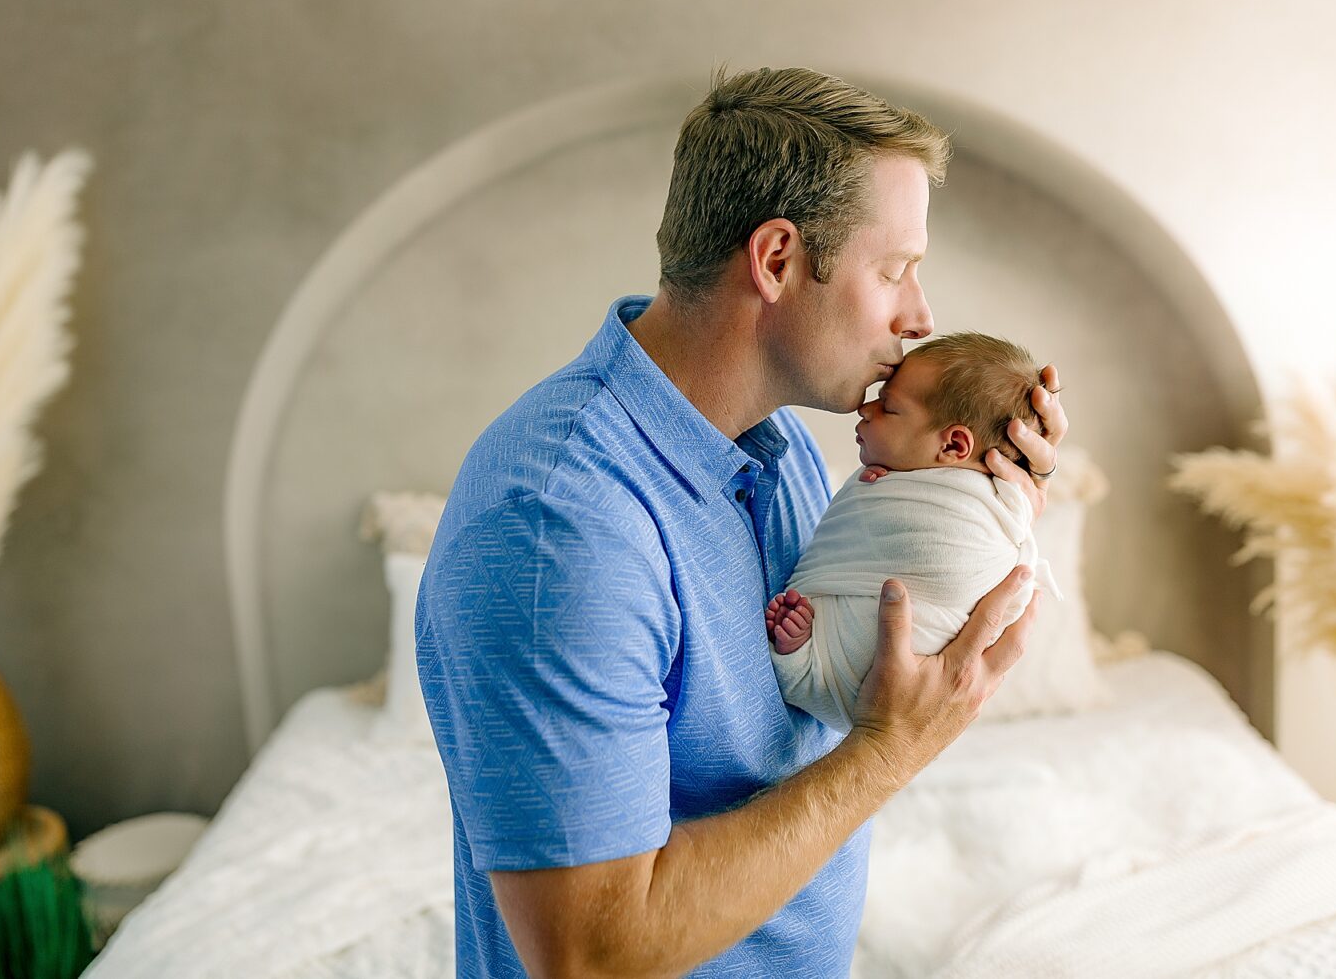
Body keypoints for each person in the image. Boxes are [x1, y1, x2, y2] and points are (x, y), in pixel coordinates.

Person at [415, 65, 1068, 978]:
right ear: (775, 261)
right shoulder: (558, 522)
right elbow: (591, 955)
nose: (920, 317)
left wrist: (986, 497)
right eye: (894, 270)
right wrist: (892, 749)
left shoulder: (783, 449)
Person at [765, 331, 1065, 732]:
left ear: (954, 444)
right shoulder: (889, 478)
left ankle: (802, 656)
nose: (866, 409)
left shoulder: (995, 508)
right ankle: (802, 653)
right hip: (858, 687)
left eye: (888, 407)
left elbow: (996, 572)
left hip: (901, 666)